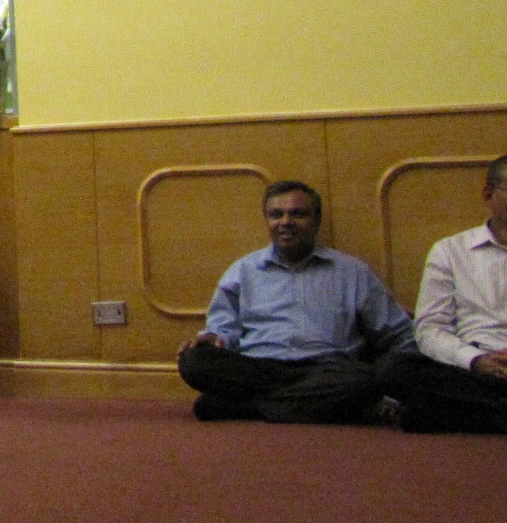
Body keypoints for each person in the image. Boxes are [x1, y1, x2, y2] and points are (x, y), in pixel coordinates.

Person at [177, 180, 413, 424]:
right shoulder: (242, 271)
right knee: (194, 361)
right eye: (276, 215)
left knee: (366, 380)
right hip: (258, 369)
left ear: (316, 220)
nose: (286, 222)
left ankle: (245, 407)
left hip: (326, 370)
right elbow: (223, 330)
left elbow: (400, 334)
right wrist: (214, 338)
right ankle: (313, 408)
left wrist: (393, 390)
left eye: (298, 214)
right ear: (267, 221)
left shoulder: (353, 273)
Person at [377, 155, 507, 433]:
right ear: (489, 195)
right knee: (394, 369)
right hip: (472, 370)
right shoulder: (450, 251)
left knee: (419, 414)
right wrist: (475, 360)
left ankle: (465, 417)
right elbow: (430, 329)